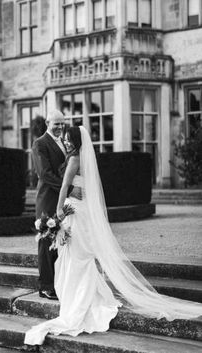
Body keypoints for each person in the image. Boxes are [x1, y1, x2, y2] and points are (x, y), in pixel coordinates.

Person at [25, 126, 202, 346]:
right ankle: (87, 296)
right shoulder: (84, 160)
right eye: (66, 140)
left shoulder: (73, 161)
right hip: (82, 211)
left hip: (73, 212)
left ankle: (78, 300)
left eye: (70, 140)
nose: (67, 143)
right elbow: (83, 188)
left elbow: (63, 188)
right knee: (80, 257)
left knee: (75, 258)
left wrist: (59, 213)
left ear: (78, 142)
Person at [31, 110, 81, 300]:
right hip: (48, 200)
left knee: (63, 241)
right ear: (47, 122)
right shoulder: (40, 143)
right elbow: (45, 174)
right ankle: (45, 287)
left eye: (62, 124)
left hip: (64, 201)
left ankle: (60, 283)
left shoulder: (65, 143)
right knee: (46, 242)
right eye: (56, 124)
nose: (60, 127)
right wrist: (69, 190)